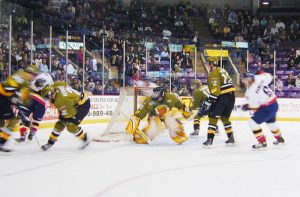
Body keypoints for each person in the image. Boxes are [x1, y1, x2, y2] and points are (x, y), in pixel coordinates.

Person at [125, 87, 192, 144]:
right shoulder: (149, 101)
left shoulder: (172, 97)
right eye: (154, 93)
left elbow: (181, 106)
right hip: (154, 117)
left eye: (156, 93)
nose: (155, 95)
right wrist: (134, 121)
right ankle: (139, 137)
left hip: (167, 115)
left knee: (171, 119)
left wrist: (186, 112)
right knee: (155, 129)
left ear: (162, 93)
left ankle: (178, 135)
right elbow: (140, 112)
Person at [40, 81, 91, 151]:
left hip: (83, 105)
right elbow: (63, 83)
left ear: (52, 93)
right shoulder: (55, 86)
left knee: (71, 126)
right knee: (59, 124)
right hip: (73, 102)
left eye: (47, 97)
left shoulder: (61, 101)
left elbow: (68, 113)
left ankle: (85, 139)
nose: (48, 100)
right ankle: (50, 143)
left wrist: (66, 121)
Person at [0, 65, 40, 152]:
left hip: (4, 96)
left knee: (2, 122)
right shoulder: (26, 82)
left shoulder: (19, 73)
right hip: (2, 97)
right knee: (12, 120)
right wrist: (23, 115)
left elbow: (10, 89)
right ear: (30, 73)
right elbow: (22, 98)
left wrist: (15, 99)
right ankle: (1, 142)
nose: (34, 77)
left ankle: (1, 142)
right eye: (34, 75)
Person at [240, 72, 285, 149]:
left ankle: (262, 142)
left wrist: (247, 107)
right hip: (274, 104)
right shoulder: (259, 78)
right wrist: (262, 73)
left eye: (244, 80)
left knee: (252, 123)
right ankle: (280, 139)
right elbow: (269, 76)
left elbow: (255, 106)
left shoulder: (250, 92)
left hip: (267, 108)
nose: (244, 81)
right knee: (271, 123)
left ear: (247, 80)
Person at [199, 57, 235, 146]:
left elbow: (215, 91)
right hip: (232, 96)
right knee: (224, 117)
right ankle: (231, 137)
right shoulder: (222, 70)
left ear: (211, 65)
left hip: (222, 96)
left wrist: (209, 101)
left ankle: (209, 140)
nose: (207, 65)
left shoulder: (213, 73)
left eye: (208, 64)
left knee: (212, 117)